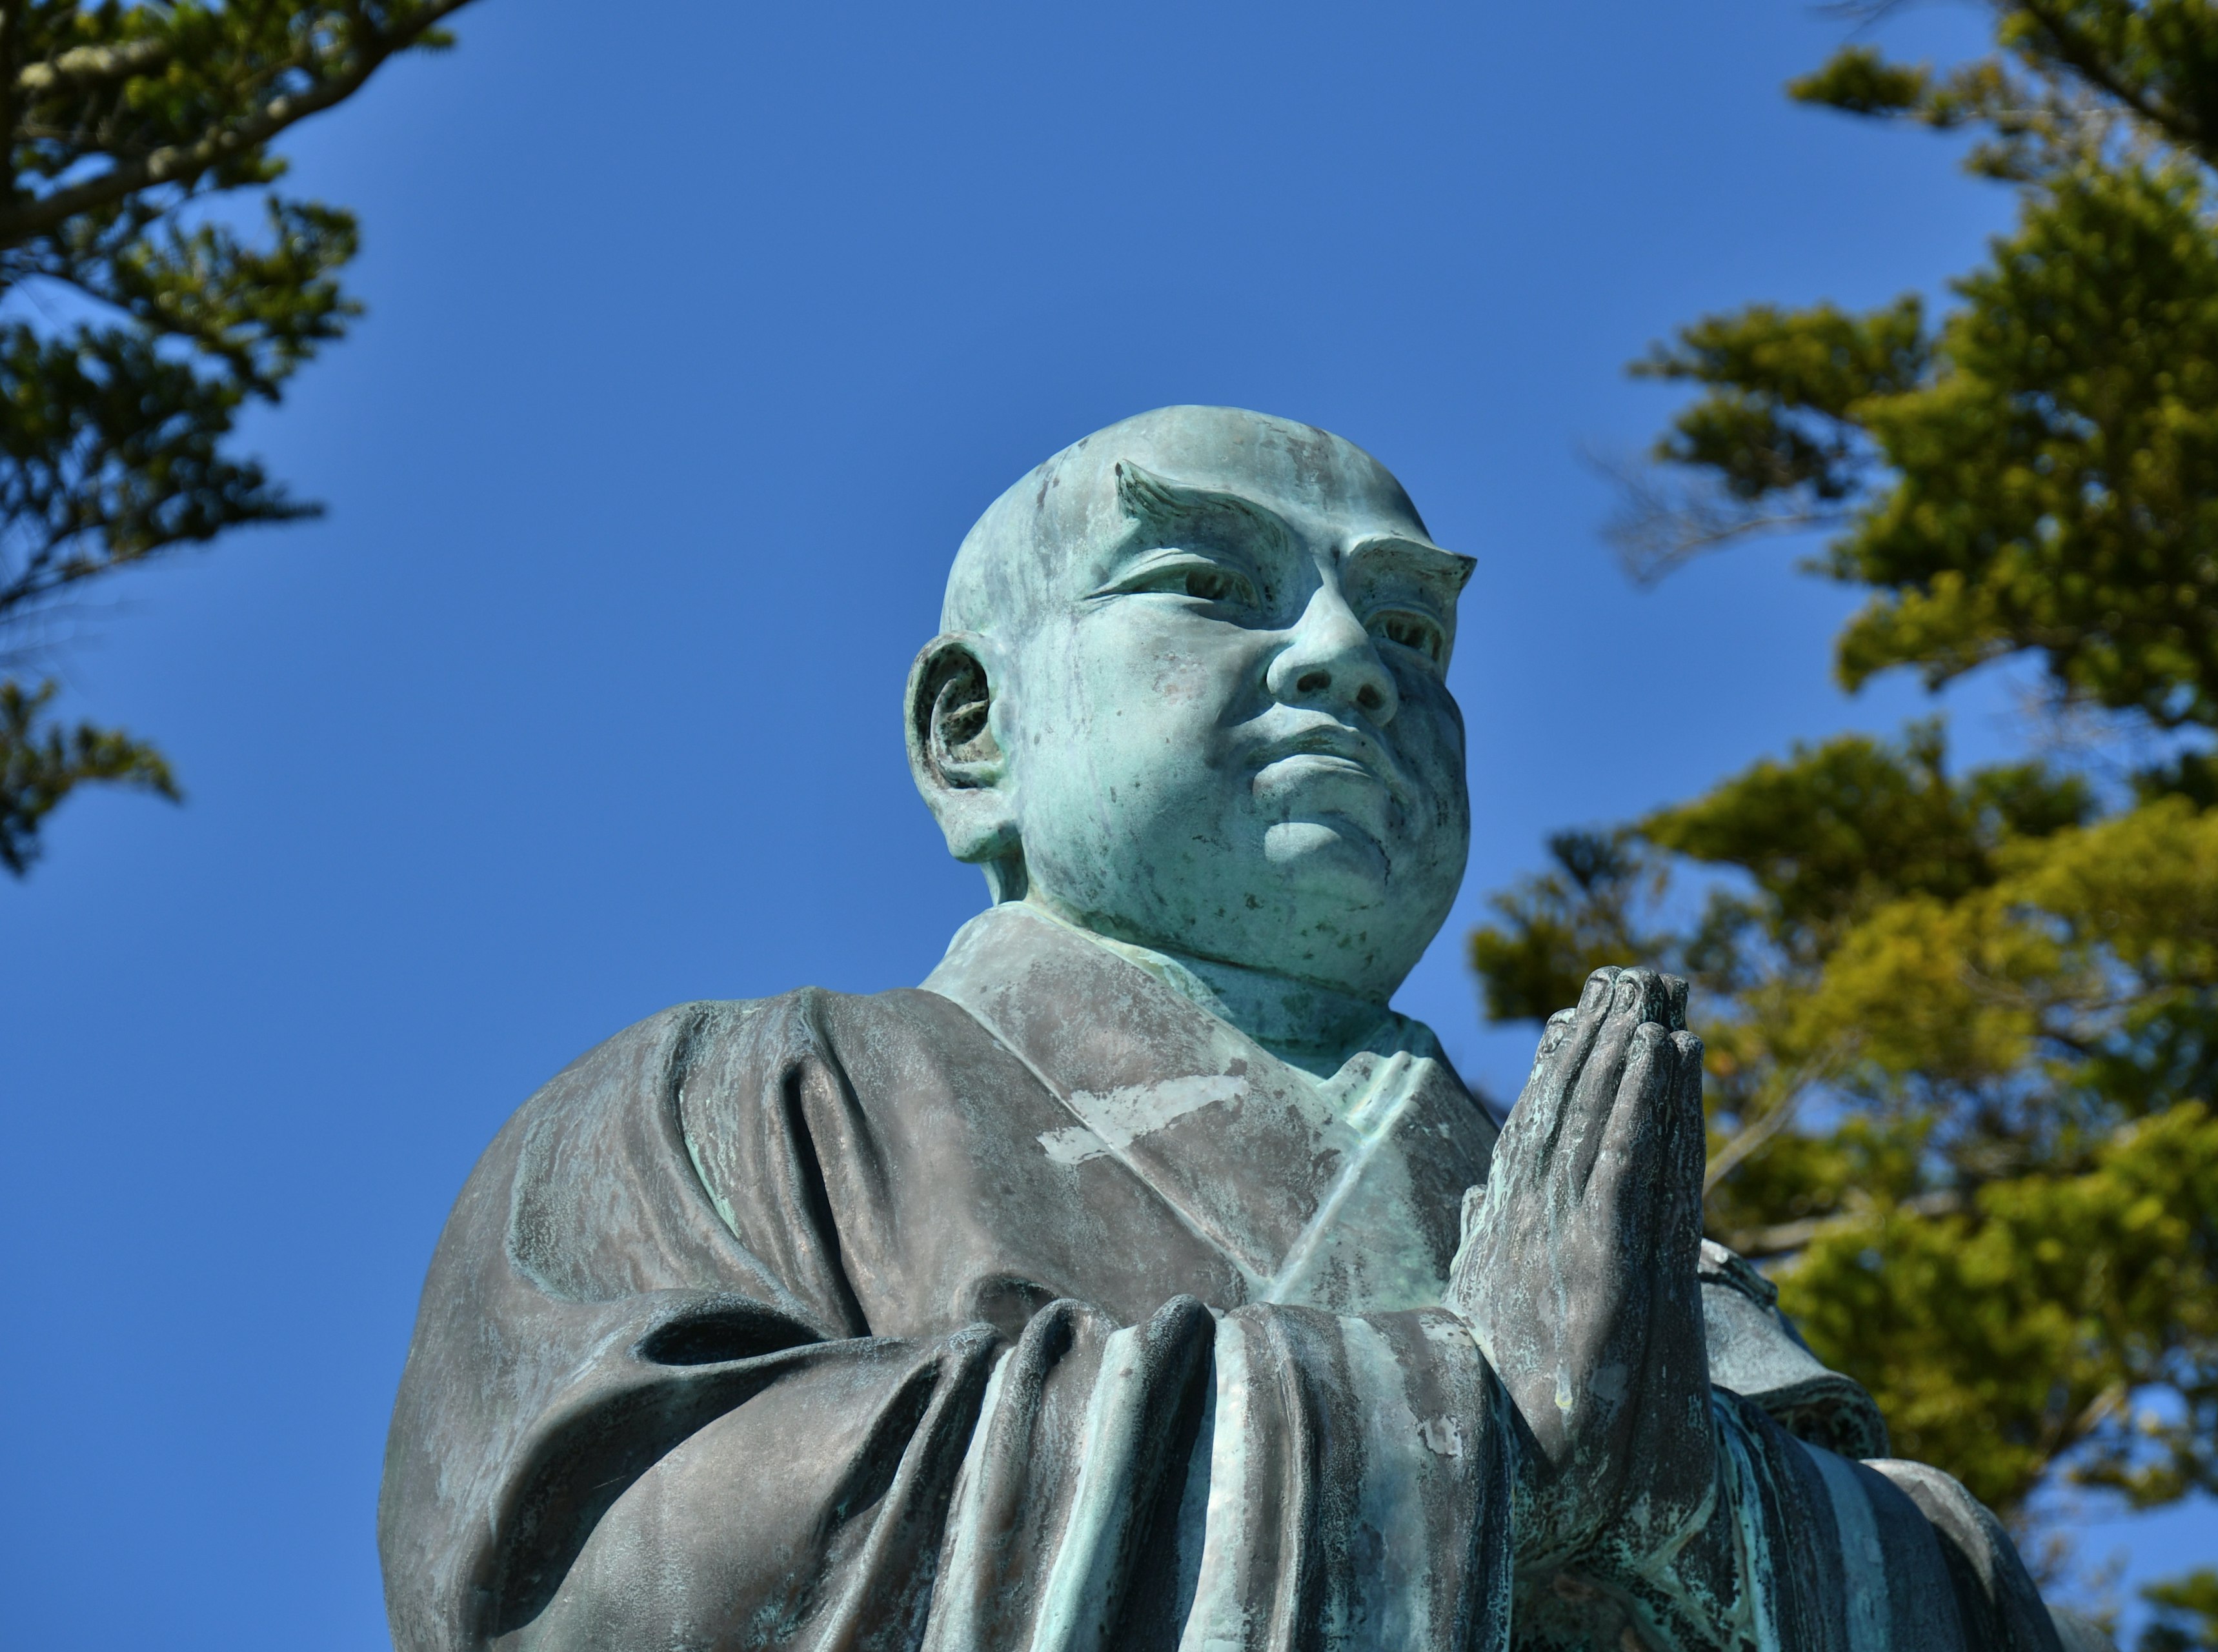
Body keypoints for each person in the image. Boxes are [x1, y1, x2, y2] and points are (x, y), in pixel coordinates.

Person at [380, 406, 2095, 1650]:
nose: (1352, 658)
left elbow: (1934, 1576)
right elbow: (603, 1568)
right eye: (1212, 584)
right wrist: (1457, 1434)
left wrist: (1698, 1512)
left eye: (1411, 623)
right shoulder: (738, 1106)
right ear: (972, 735)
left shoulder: (1585, 1219)